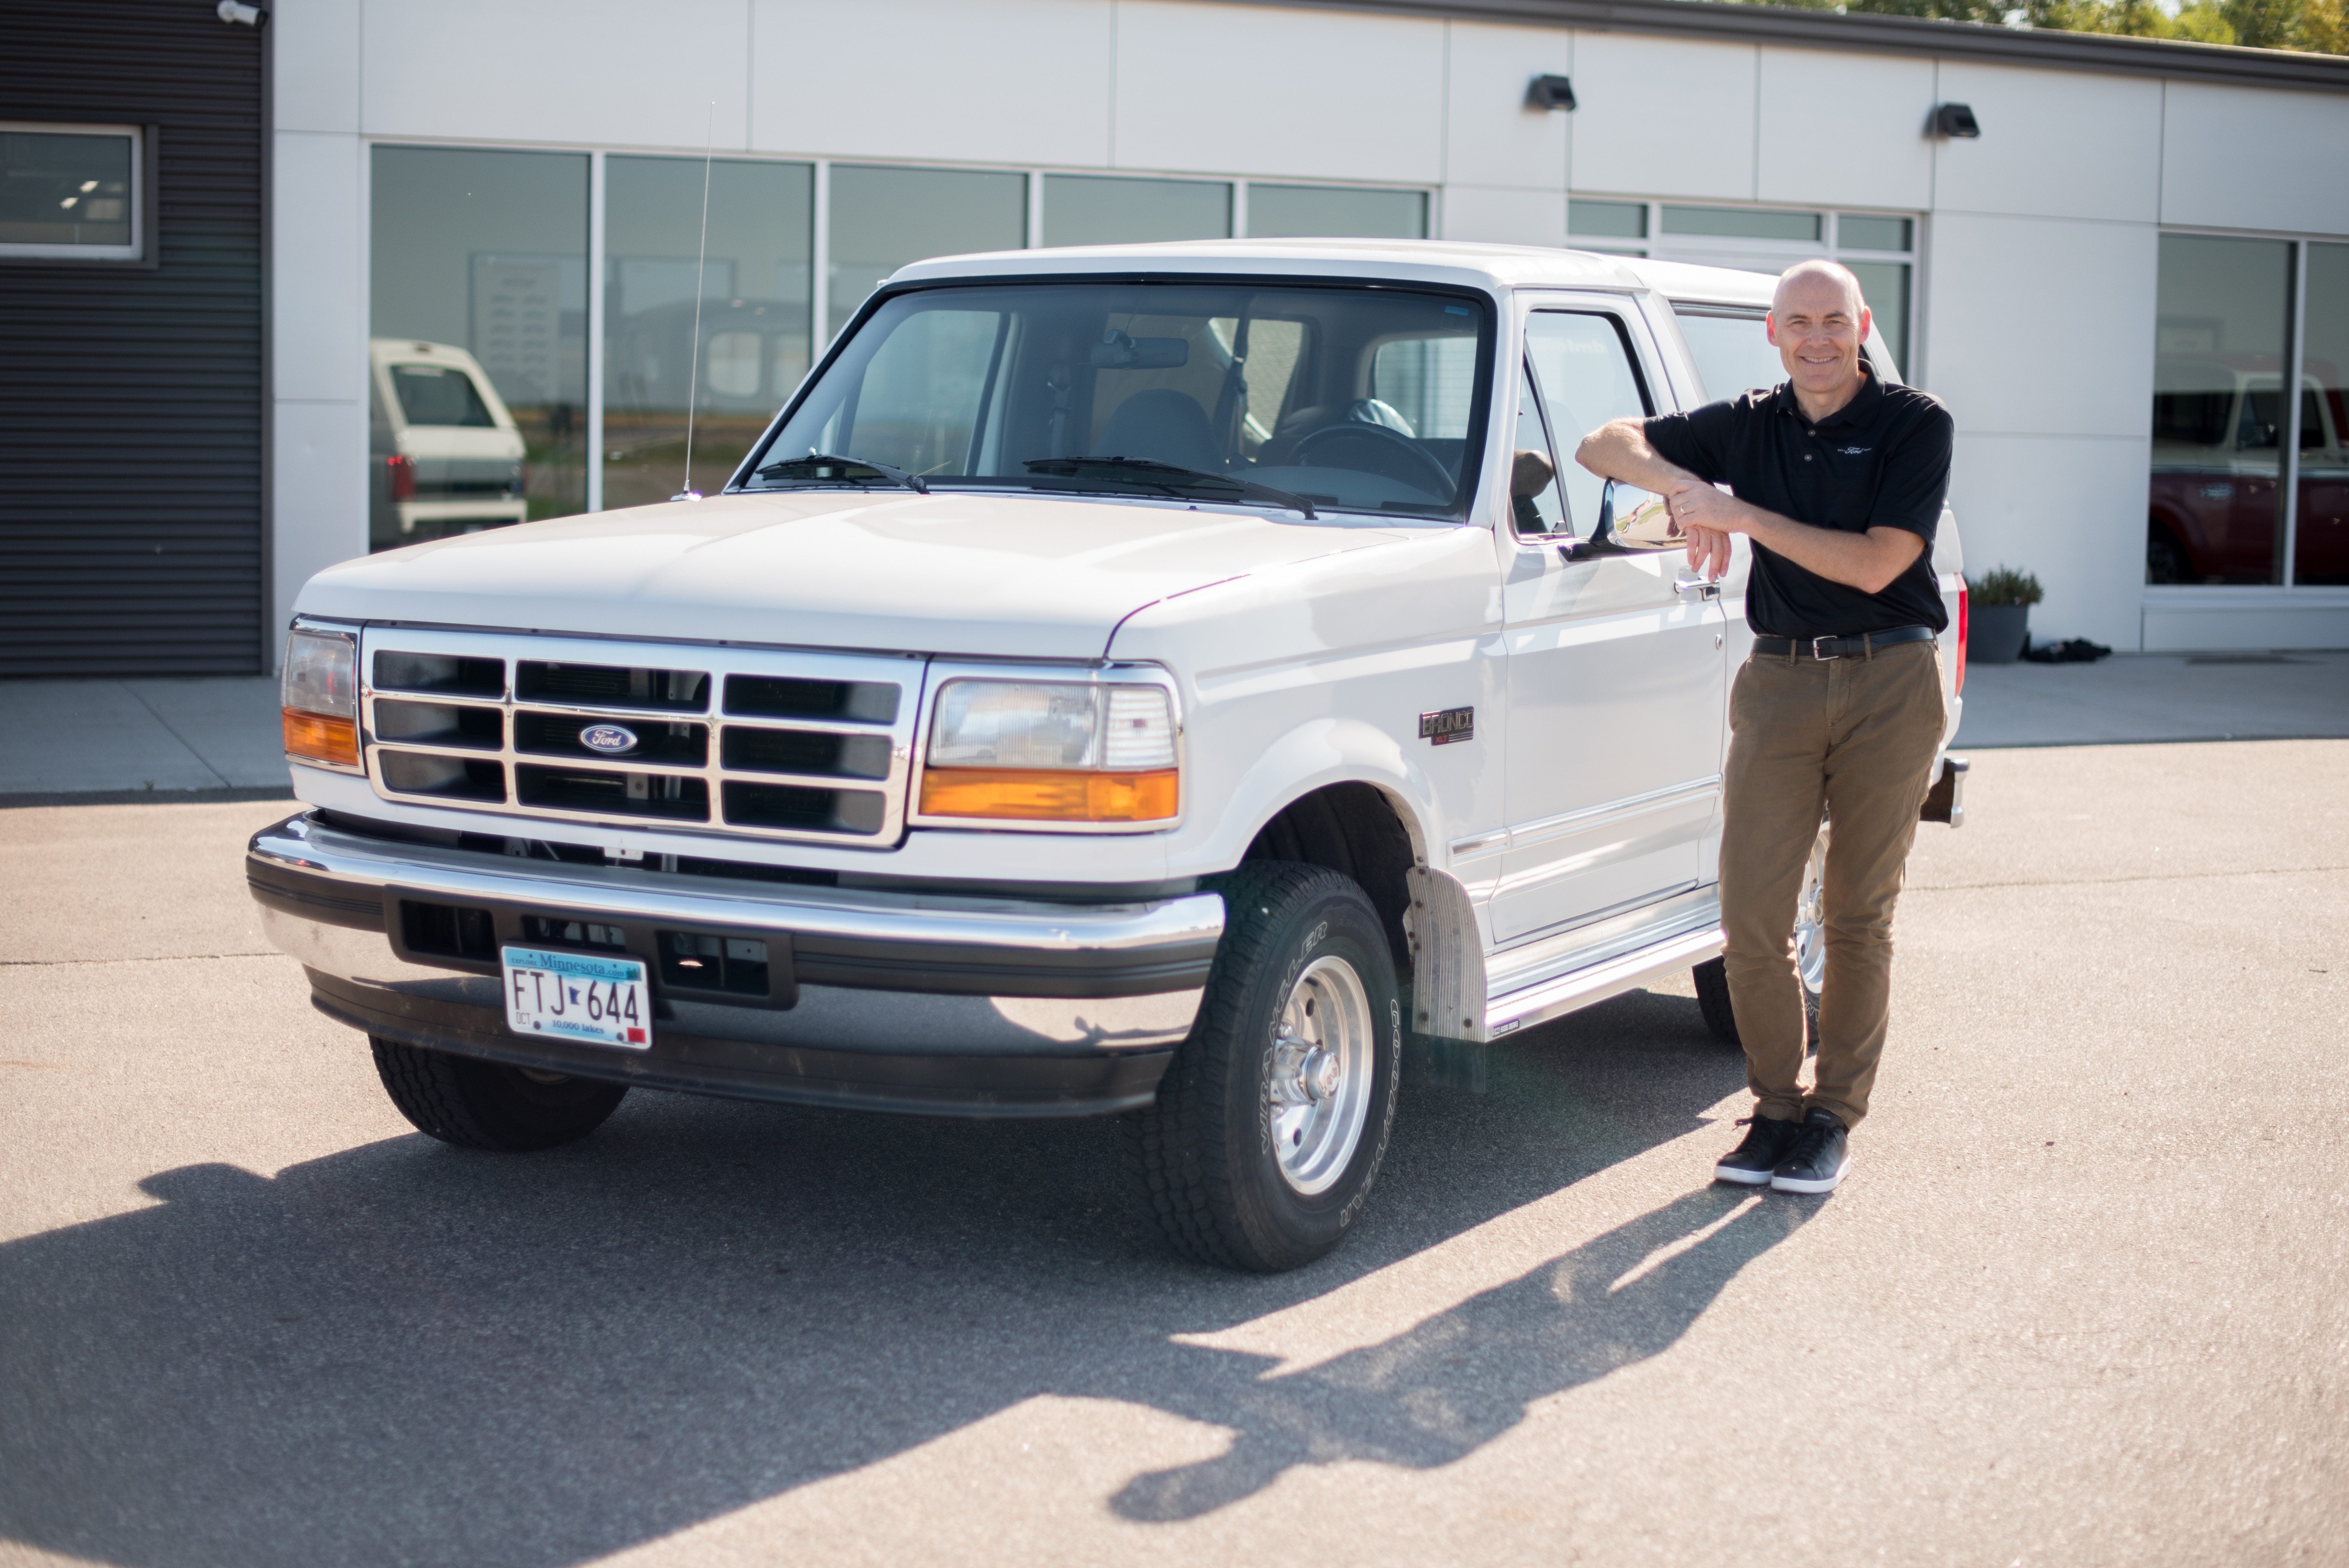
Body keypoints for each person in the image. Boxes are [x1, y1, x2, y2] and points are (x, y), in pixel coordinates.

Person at [1575, 259, 1953, 1196]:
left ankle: (1831, 1119)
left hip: (1889, 678)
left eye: (1833, 320)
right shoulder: (1747, 421)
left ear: (1860, 324)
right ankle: (1774, 1109)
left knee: (1855, 915)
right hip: (1779, 680)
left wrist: (1736, 511)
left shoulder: (1915, 423)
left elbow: (1874, 565)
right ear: (1772, 333)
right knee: (1747, 913)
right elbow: (1600, 442)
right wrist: (1681, 489)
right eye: (1798, 322)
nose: (1816, 338)